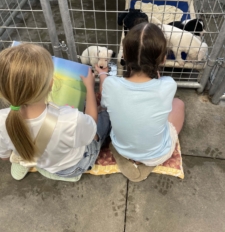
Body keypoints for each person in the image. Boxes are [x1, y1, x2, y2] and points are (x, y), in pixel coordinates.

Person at [0, 43, 110, 180]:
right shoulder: (69, 118)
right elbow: (91, 126)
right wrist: (89, 88)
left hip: (45, 163)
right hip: (75, 165)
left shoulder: (2, 120)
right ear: (51, 84)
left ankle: (26, 160)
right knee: (106, 115)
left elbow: (4, 156)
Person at [95, 22, 185, 169]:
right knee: (178, 103)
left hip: (121, 149)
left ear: (124, 55)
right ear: (163, 59)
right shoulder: (169, 84)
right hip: (157, 155)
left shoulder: (110, 85)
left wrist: (103, 74)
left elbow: (104, 101)